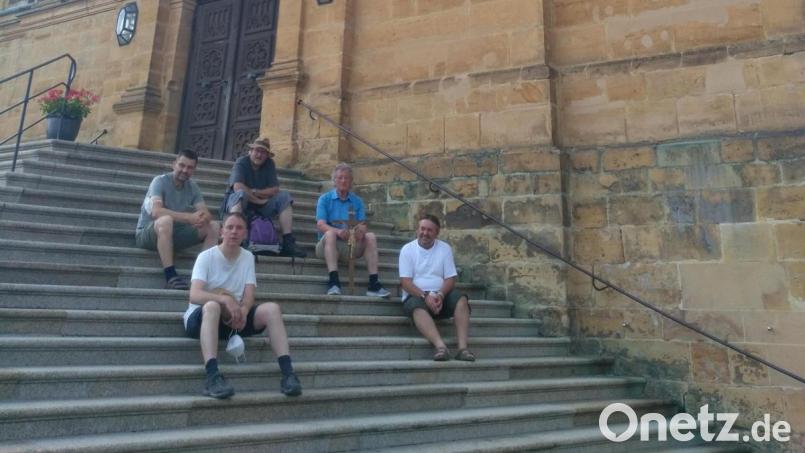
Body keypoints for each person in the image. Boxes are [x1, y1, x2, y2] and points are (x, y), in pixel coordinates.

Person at [184, 212, 302, 399]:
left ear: (246, 234)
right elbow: (194, 295)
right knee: (212, 306)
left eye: (239, 228)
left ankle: (288, 374)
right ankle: (212, 377)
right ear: (222, 231)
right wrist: (224, 299)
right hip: (201, 318)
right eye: (229, 227)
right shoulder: (206, 257)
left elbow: (248, 296)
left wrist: (245, 311)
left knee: (272, 309)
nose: (234, 232)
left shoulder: (247, 257)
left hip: (233, 319)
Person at [135, 149, 220, 290]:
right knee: (165, 220)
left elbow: (206, 213)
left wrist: (202, 218)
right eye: (182, 165)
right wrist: (189, 217)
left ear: (194, 170)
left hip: (175, 233)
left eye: (190, 167)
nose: (185, 170)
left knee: (214, 226)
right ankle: (170, 275)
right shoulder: (159, 181)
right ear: (174, 164)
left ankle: (200, 276)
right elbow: (156, 212)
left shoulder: (192, 186)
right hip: (148, 233)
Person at [399, 214, 475, 362]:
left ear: (436, 233)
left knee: (461, 299)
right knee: (416, 307)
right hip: (417, 296)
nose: (425, 233)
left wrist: (440, 295)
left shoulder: (444, 249)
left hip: (441, 295)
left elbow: (450, 278)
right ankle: (441, 347)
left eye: (429, 230)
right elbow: (406, 282)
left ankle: (462, 349)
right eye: (422, 229)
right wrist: (425, 296)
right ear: (417, 229)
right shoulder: (407, 250)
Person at [315, 163, 390, 297]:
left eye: (347, 178)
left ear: (351, 181)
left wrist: (359, 231)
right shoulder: (325, 199)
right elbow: (320, 224)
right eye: (340, 178)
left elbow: (362, 224)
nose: (343, 181)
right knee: (330, 233)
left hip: (350, 245)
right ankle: (333, 282)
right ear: (334, 181)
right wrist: (338, 231)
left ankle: (373, 284)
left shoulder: (357, 201)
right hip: (328, 245)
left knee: (370, 236)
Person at [223, 137, 306, 258]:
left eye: (263, 152)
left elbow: (275, 189)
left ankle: (288, 242)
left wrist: (255, 191)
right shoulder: (241, 162)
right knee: (240, 194)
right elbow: (238, 187)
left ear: (267, 155)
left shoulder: (269, 164)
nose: (259, 155)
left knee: (284, 197)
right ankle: (237, 241)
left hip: (261, 207)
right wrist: (259, 199)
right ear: (250, 151)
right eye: (257, 151)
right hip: (239, 204)